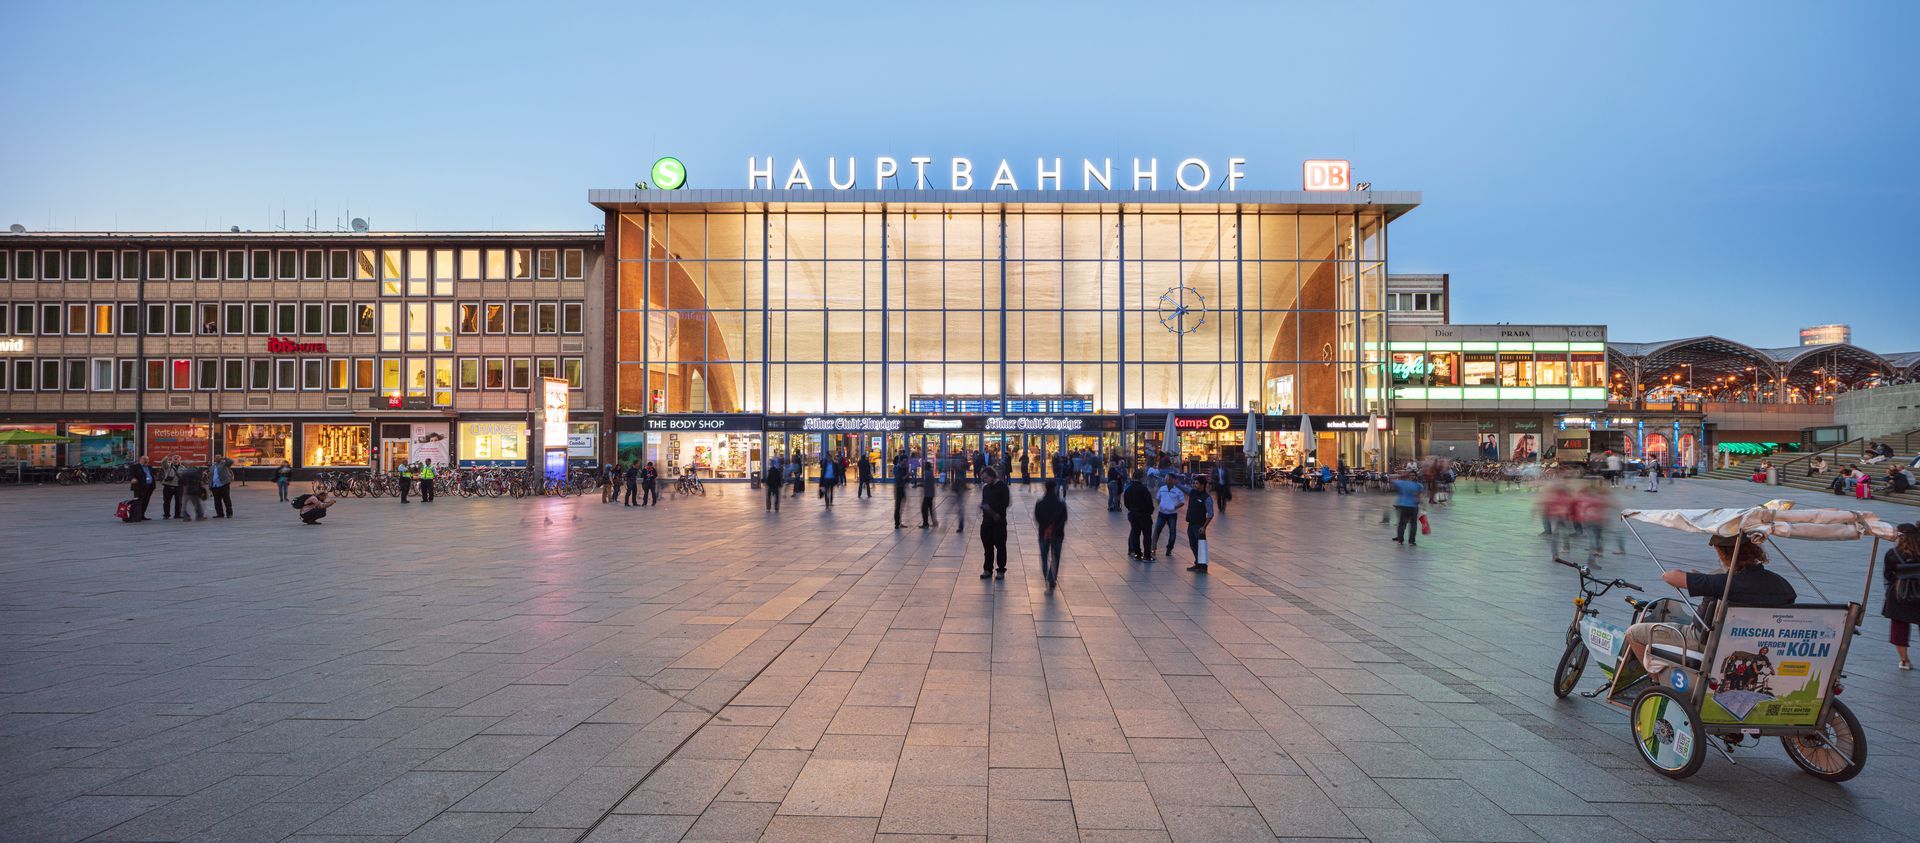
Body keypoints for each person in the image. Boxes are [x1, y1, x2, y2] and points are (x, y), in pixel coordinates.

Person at [1624, 532, 1797, 670]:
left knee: (1634, 633)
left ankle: (1657, 684)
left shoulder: (1723, 582)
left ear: (1723, 553)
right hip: (1757, 643)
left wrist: (1703, 580)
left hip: (1705, 640)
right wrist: (1704, 581)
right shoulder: (1783, 585)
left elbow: (1670, 576)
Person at [1881, 523, 1920, 670]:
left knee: (1899, 627)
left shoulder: (1893, 553)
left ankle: (1904, 660)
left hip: (1899, 594)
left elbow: (1888, 575)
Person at [1033, 479, 1069, 587]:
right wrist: (1055, 526)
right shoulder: (1061, 503)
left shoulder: (1040, 503)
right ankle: (1052, 577)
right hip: (1057, 534)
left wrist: (1045, 526)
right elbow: (1064, 518)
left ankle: (1046, 576)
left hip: (1043, 533)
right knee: (1055, 557)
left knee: (1044, 557)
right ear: (1055, 488)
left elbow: (1037, 517)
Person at [978, 468, 1010, 579]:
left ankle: (1001, 570)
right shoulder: (986, 488)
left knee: (1000, 547)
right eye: (983, 478)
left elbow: (1005, 504)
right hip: (986, 523)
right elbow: (984, 501)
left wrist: (991, 509)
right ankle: (987, 569)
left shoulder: (1002, 487)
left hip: (998, 523)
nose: (984, 480)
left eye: (985, 477)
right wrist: (983, 506)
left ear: (992, 476)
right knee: (987, 548)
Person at [1184, 476, 1215, 573]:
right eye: (1194, 483)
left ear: (1202, 485)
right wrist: (1175, 483)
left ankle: (1203, 566)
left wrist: (1204, 527)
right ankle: (1198, 563)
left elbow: (1210, 514)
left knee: (1201, 545)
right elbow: (1183, 488)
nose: (1194, 485)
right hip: (1191, 524)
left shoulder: (1206, 498)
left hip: (1199, 526)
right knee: (1193, 544)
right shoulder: (1192, 493)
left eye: (1196, 483)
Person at [1152, 473, 1186, 560]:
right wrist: (1160, 505)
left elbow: (1182, 502)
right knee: (1157, 530)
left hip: (1172, 514)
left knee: (1172, 532)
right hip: (1162, 513)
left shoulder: (1178, 491)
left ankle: (1169, 549)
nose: (1167, 480)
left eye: (1169, 479)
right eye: (1166, 478)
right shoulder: (1162, 489)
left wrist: (1174, 507)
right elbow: (1157, 498)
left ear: (1174, 480)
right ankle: (1153, 548)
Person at [1123, 469, 1154, 561]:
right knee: (1147, 535)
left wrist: (1132, 509)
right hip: (1144, 515)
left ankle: (1137, 554)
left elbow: (1126, 503)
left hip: (1133, 514)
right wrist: (1149, 511)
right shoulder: (1144, 489)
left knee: (1135, 534)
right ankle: (1147, 555)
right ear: (1142, 478)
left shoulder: (1129, 489)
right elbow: (1149, 503)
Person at [1391, 471, 1422, 546]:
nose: (1412, 476)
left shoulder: (1403, 483)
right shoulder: (1418, 485)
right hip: (1413, 507)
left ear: (1415, 476)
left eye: (1413, 475)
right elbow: (1418, 496)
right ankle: (1410, 541)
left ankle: (1400, 540)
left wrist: (1400, 476)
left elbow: (1392, 481)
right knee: (1412, 524)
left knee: (1402, 523)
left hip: (1404, 506)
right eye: (1411, 475)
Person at [127, 455, 158, 522]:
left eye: (147, 459)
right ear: (140, 459)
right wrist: (133, 478)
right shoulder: (135, 466)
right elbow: (130, 475)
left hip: (149, 487)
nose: (146, 460)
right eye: (144, 459)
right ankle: (136, 516)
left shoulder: (149, 467)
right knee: (138, 502)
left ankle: (142, 515)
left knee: (146, 501)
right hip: (139, 487)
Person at [919, 455, 940, 528]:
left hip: (928, 494)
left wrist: (919, 485)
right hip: (931, 493)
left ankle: (925, 523)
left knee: (924, 508)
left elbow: (925, 483)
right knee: (930, 508)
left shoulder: (927, 473)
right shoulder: (930, 473)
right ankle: (934, 522)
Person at [950, 452, 968, 533]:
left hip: (960, 485)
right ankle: (961, 524)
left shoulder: (963, 465)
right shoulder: (956, 466)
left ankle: (961, 525)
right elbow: (953, 472)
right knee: (958, 505)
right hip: (958, 484)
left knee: (960, 506)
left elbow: (965, 469)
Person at [892, 451, 909, 528]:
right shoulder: (897, 468)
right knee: (898, 506)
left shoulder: (902, 468)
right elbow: (899, 479)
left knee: (901, 505)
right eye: (905, 461)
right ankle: (897, 523)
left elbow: (904, 480)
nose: (905, 463)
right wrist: (906, 476)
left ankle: (899, 521)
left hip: (901, 488)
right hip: (898, 488)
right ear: (901, 461)